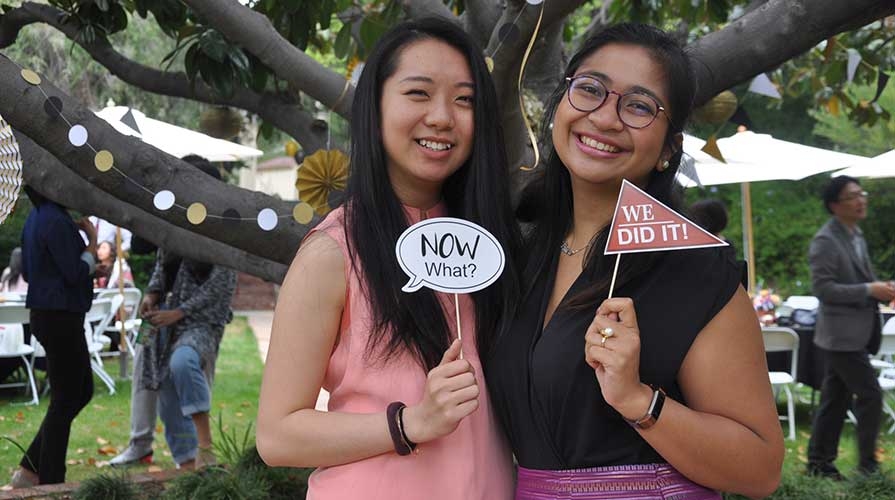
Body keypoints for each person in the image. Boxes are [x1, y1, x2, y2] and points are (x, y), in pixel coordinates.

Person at [486, 23, 783, 499]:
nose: (605, 118)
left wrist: (638, 400)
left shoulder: (696, 273)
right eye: (590, 90)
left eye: (640, 106)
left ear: (668, 149)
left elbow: (760, 469)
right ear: (560, 104)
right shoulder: (517, 254)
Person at [256, 18, 521, 499]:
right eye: (418, 93)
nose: (442, 117)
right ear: (375, 106)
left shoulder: (494, 248)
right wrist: (409, 423)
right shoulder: (332, 251)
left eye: (464, 99)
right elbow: (276, 436)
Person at [110, 155, 237, 470]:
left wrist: (178, 313)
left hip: (196, 321)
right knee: (145, 360)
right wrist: (153, 294)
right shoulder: (173, 219)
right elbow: (161, 265)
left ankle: (200, 448)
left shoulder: (221, 229)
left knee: (183, 365)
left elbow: (220, 288)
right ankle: (144, 445)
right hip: (161, 315)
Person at [806, 175, 894, 479]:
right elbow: (824, 289)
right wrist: (871, 290)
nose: (861, 200)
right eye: (852, 196)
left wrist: (881, 287)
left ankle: (818, 463)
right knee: (870, 395)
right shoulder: (825, 241)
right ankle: (868, 465)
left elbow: (859, 280)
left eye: (862, 193)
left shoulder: (855, 234)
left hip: (856, 333)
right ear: (834, 206)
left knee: (835, 400)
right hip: (840, 337)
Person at [9, 186, 96, 487]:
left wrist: (85, 261)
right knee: (66, 397)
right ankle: (49, 479)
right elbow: (74, 272)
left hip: (48, 314)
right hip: (60, 317)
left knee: (80, 391)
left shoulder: (35, 218)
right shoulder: (56, 220)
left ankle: (30, 468)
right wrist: (93, 246)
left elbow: (34, 273)